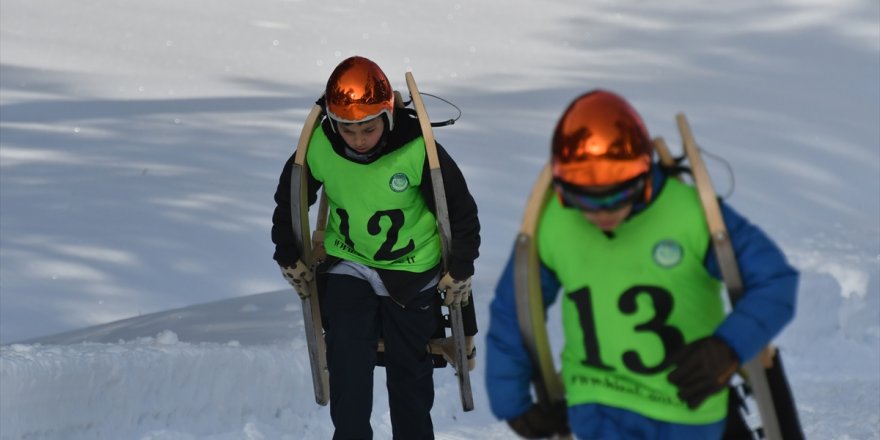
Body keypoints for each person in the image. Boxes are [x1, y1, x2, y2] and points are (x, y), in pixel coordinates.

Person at [484, 90, 798, 439]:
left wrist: (727, 347)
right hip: (598, 402)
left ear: (644, 179)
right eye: (583, 200)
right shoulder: (555, 224)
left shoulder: (688, 215)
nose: (602, 214)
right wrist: (510, 401)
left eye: (617, 197)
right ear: (562, 187)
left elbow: (774, 281)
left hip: (686, 407)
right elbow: (514, 308)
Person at [271, 56, 480, 440]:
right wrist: (287, 253)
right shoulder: (321, 147)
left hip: (412, 268)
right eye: (348, 130)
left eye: (368, 128)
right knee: (348, 363)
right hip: (348, 261)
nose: (359, 139)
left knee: (409, 373)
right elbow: (290, 200)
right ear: (333, 124)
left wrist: (462, 266)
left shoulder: (416, 148)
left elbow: (461, 212)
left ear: (388, 115)